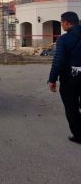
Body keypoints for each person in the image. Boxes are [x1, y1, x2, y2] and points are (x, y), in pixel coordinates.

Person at [48, 12, 81, 144]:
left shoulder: (63, 40)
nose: (61, 25)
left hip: (70, 79)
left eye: (61, 22)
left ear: (67, 22)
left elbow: (58, 61)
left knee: (71, 107)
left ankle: (79, 135)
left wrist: (52, 79)